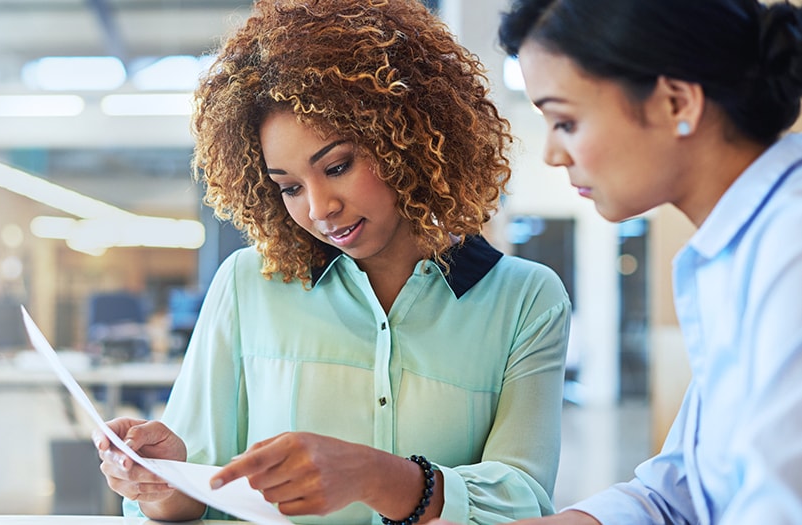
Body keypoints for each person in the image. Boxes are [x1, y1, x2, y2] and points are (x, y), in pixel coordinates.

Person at [93, 1, 571, 524]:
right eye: (290, 187)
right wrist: (159, 481)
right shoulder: (248, 284)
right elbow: (195, 493)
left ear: (404, 140)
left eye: (338, 166)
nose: (319, 209)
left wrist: (380, 477)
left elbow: (523, 501)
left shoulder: (526, 300)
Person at [480, 0, 802, 523]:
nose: (552, 155)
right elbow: (675, 490)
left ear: (676, 103)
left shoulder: (790, 245)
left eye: (565, 121)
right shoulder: (730, 251)